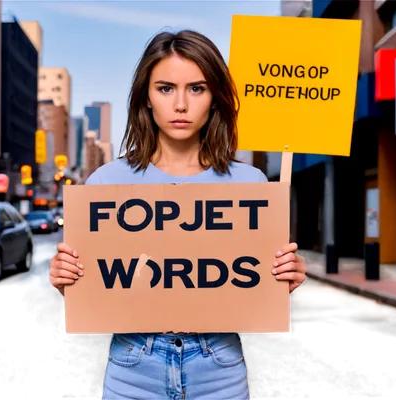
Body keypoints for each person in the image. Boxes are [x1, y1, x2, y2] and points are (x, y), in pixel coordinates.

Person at [49, 29, 307, 399]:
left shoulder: (251, 183)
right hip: (132, 366)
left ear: (215, 98)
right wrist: (65, 276)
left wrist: (284, 274)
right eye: (166, 88)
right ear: (147, 98)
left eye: (197, 88)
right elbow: (90, 283)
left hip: (219, 365)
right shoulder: (106, 181)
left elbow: (259, 292)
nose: (181, 104)